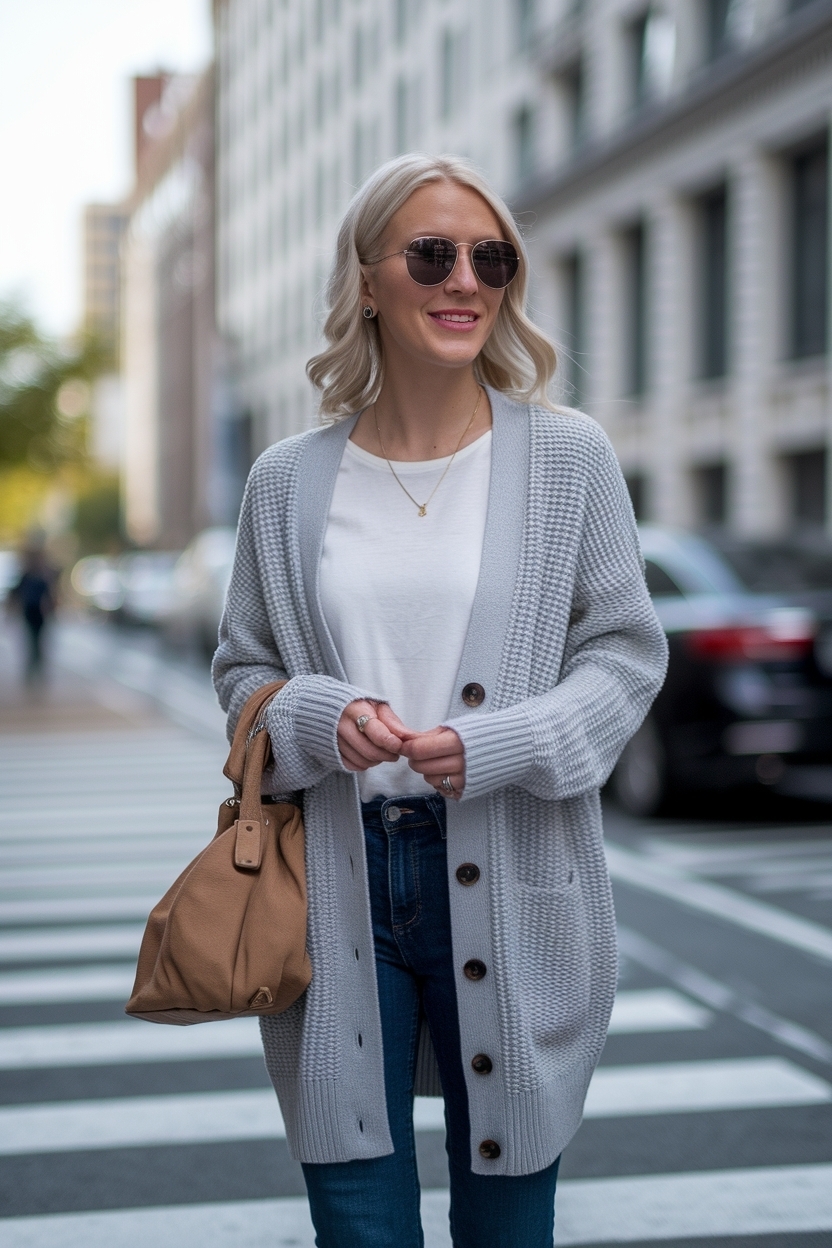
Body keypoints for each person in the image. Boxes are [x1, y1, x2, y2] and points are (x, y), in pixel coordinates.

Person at [213, 153, 668, 1248]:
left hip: (515, 867)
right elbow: (241, 670)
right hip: (335, 880)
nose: (464, 279)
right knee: (359, 1222)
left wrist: (510, 738)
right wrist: (315, 719)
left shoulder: (568, 458)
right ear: (368, 280)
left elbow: (623, 651)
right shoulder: (286, 478)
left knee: (509, 1220)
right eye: (431, 253)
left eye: (490, 257)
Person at [9, 543, 57, 681]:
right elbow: (16, 593)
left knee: (37, 641)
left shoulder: (42, 576)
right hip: (30, 612)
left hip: (39, 613)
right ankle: (32, 669)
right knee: (32, 641)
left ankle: (36, 669)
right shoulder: (27, 576)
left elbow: (49, 595)